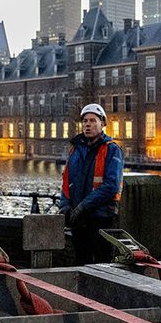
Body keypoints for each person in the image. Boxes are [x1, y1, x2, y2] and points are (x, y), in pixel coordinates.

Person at [60, 103, 123, 264]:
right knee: (81, 262)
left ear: (102, 123)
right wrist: (65, 205)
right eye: (85, 121)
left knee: (102, 264)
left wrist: (83, 207)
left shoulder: (111, 150)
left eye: (93, 121)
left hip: (101, 218)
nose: (88, 124)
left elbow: (111, 185)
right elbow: (67, 181)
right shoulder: (75, 149)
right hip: (78, 219)